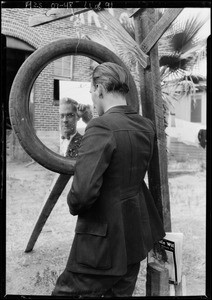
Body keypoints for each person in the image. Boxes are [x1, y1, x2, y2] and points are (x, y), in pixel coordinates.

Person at [52, 62, 165, 297]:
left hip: (102, 245)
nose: (92, 97)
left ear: (100, 88)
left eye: (92, 91)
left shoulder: (100, 127)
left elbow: (82, 194)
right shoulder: (146, 126)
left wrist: (74, 205)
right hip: (135, 238)